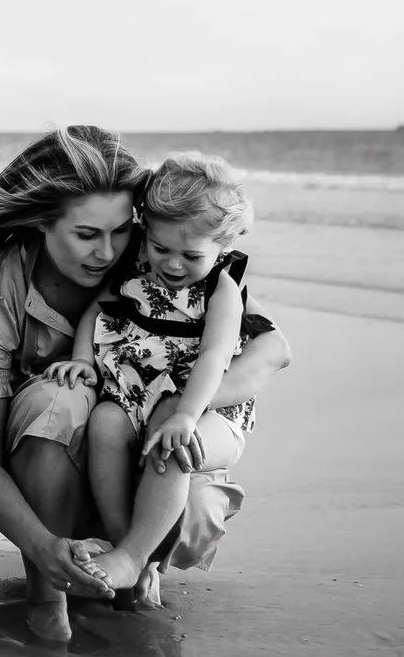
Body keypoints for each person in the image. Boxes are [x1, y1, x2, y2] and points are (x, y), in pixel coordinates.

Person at [0, 128, 292, 641]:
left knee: (184, 479)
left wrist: (180, 404)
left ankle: (133, 561)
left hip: (142, 435)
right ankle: (48, 589)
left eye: (121, 231)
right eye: (86, 235)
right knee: (4, 424)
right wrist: (40, 546)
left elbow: (272, 347)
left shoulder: (162, 252)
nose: (107, 251)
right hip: (46, 434)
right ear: (41, 221)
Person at [51, 151, 260, 604]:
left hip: (203, 407)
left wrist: (186, 413)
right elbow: (97, 310)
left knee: (171, 432)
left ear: (223, 245)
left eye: (191, 255)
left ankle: (134, 556)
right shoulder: (136, 267)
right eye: (161, 248)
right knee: (105, 422)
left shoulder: (221, 287)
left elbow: (214, 355)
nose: (173, 264)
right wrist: (84, 360)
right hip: (134, 392)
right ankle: (127, 547)